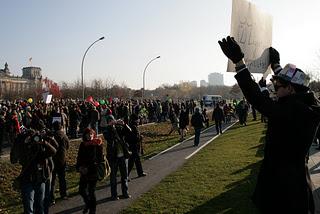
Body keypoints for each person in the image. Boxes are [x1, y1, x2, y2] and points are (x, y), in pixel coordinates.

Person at [218, 36, 320, 214]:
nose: (274, 86)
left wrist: (240, 63)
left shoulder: (292, 110)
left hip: (285, 188)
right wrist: (276, 66)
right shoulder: (305, 103)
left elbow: (257, 99)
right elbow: (290, 86)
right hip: (296, 181)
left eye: (278, 84)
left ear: (290, 89)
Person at [10, 128, 57, 214]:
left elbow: (53, 151)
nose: (32, 139)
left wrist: (44, 142)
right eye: (29, 137)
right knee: (28, 208)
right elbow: (13, 159)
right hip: (27, 180)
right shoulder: (23, 148)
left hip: (40, 180)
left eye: (33, 137)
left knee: (40, 206)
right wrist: (22, 143)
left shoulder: (39, 149)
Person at [76, 128, 104, 214]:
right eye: (87, 134)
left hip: (93, 171)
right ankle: (88, 204)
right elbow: (79, 157)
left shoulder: (97, 144)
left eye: (91, 134)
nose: (89, 136)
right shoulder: (83, 144)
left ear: (94, 135)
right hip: (83, 171)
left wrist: (89, 168)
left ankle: (93, 210)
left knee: (91, 191)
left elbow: (100, 159)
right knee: (81, 190)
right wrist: (79, 167)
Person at [50, 121, 70, 204]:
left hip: (53, 159)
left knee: (52, 180)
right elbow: (68, 146)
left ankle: (52, 198)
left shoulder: (52, 136)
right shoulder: (64, 136)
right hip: (62, 159)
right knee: (62, 178)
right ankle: (63, 194)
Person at [127, 113, 147, 178]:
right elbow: (134, 138)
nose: (139, 120)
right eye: (138, 119)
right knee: (131, 162)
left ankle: (140, 172)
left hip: (135, 146)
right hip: (134, 146)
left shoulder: (133, 126)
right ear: (135, 120)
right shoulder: (133, 127)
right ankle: (126, 175)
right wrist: (140, 137)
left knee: (137, 160)